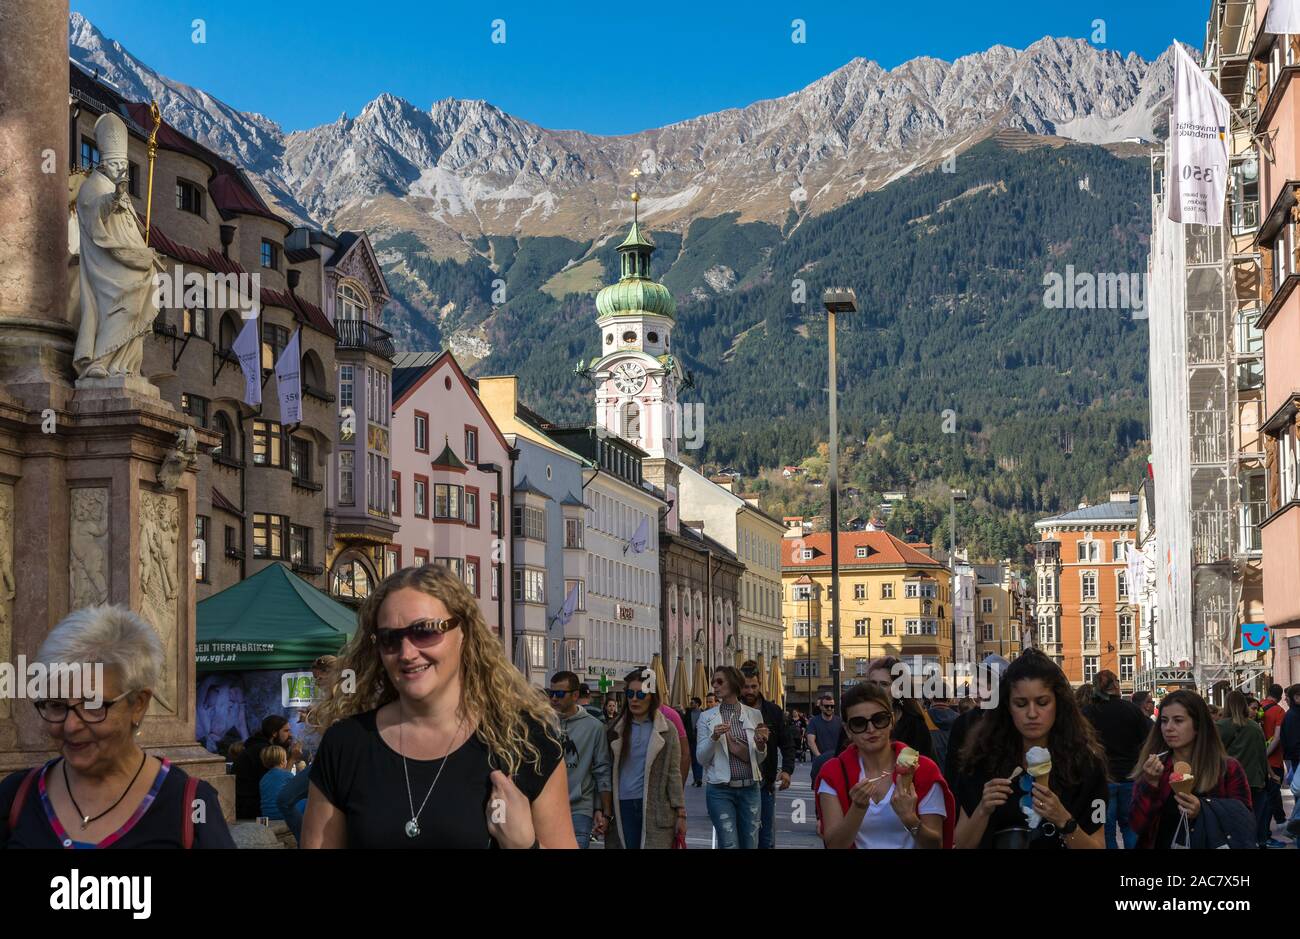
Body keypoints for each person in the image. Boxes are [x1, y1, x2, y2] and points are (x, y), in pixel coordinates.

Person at [301, 564, 573, 848]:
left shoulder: (526, 743)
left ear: (464, 632)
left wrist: (525, 847)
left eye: (425, 631)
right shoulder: (346, 745)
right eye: (389, 638)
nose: (407, 653)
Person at [0, 605, 233, 848]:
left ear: (138, 704)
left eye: (92, 705)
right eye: (56, 705)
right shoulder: (15, 795)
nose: (70, 726)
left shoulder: (191, 805)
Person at [953, 649, 1107, 849]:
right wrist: (982, 809)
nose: (1032, 713)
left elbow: (1098, 845)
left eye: (1042, 703)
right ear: (1007, 707)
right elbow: (961, 844)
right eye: (1021, 704)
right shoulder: (981, 761)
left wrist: (1064, 820)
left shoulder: (1086, 766)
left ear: (1059, 704)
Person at [816, 683, 954, 849]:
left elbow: (936, 845)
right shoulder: (833, 773)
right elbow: (834, 845)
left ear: (892, 720)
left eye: (879, 719)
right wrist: (857, 808)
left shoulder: (923, 770)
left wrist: (909, 819)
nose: (871, 729)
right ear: (847, 730)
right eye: (859, 723)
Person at [1130, 689, 1252, 849]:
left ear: (1198, 725)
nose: (1168, 728)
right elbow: (1138, 825)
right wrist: (1150, 785)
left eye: (1178, 720)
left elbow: (1244, 818)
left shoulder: (1227, 768)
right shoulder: (1155, 767)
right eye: (1164, 721)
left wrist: (1203, 809)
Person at [604, 669, 686, 849]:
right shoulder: (615, 729)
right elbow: (605, 771)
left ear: (652, 697)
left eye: (641, 694)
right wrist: (603, 810)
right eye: (630, 694)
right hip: (623, 805)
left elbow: (674, 774)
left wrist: (681, 813)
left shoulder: (667, 729)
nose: (634, 699)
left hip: (656, 807)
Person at [697, 666, 768, 849]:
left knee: (750, 844)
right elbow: (701, 758)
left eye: (720, 681)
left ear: (733, 683)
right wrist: (713, 737)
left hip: (750, 788)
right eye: (713, 681)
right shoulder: (706, 717)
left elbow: (758, 758)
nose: (714, 685)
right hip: (720, 790)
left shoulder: (754, 714)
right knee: (729, 844)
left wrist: (761, 745)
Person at [1083, 669, 1151, 849]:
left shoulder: (1088, 712)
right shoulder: (1132, 710)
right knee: (1130, 827)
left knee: (1106, 830)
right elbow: (1146, 742)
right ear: (1115, 685)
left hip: (1102, 781)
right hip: (1130, 777)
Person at [276, 655, 339, 844]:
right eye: (314, 678)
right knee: (288, 801)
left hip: (332, 762)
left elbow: (334, 734)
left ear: (332, 674)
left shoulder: (343, 699)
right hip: (324, 760)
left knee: (285, 799)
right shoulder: (326, 699)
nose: (317, 682)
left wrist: (311, 719)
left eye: (319, 678)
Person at [549, 670, 612, 849]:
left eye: (560, 694)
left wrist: (602, 810)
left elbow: (602, 770)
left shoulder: (594, 727)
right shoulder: (543, 722)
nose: (554, 698)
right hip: (546, 806)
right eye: (551, 693)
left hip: (579, 807)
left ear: (575, 695)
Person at [741, 661, 794, 849]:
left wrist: (787, 770)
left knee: (765, 839)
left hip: (766, 782)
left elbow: (787, 744)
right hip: (740, 783)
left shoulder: (773, 711)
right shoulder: (733, 710)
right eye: (746, 687)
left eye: (753, 686)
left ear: (760, 684)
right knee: (743, 836)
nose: (750, 691)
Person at [1215, 691, 1270, 847]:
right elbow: (1262, 756)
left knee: (1232, 826)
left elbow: (1213, 755)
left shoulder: (1221, 726)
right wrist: (1264, 779)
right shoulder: (1255, 727)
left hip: (1230, 783)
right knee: (1253, 823)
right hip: (1255, 782)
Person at [866, 657, 936, 761]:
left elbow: (925, 764)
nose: (877, 690)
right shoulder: (857, 719)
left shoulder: (913, 725)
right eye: (873, 683)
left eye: (884, 684)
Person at [234, 715, 293, 819]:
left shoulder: (255, 746)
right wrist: (292, 759)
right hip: (253, 809)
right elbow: (279, 782)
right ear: (274, 733)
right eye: (286, 731)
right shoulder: (265, 751)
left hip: (246, 806)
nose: (290, 735)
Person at [1260, 683, 1288, 846]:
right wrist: (1265, 755)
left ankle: (1263, 833)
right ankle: (1265, 836)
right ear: (1280, 696)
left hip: (1258, 765)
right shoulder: (1279, 711)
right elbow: (1277, 738)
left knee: (1261, 800)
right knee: (1270, 800)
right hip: (1274, 761)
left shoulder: (1257, 706)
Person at [806, 693, 843, 782]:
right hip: (820, 762)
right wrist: (820, 757)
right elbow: (811, 741)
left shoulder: (839, 721)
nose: (829, 708)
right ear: (821, 707)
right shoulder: (814, 721)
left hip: (837, 762)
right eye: (827, 706)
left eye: (832, 706)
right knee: (819, 787)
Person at [259, 745, 294, 821]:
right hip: (283, 814)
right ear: (282, 761)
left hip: (267, 815)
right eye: (286, 759)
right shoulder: (288, 775)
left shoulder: (263, 778)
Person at [684, 696, 704, 787]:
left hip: (700, 739)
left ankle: (699, 779)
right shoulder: (688, 713)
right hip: (690, 740)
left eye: (692, 703)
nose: (690, 704)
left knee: (698, 759)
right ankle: (696, 779)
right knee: (693, 760)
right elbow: (684, 724)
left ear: (697, 704)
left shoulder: (703, 714)